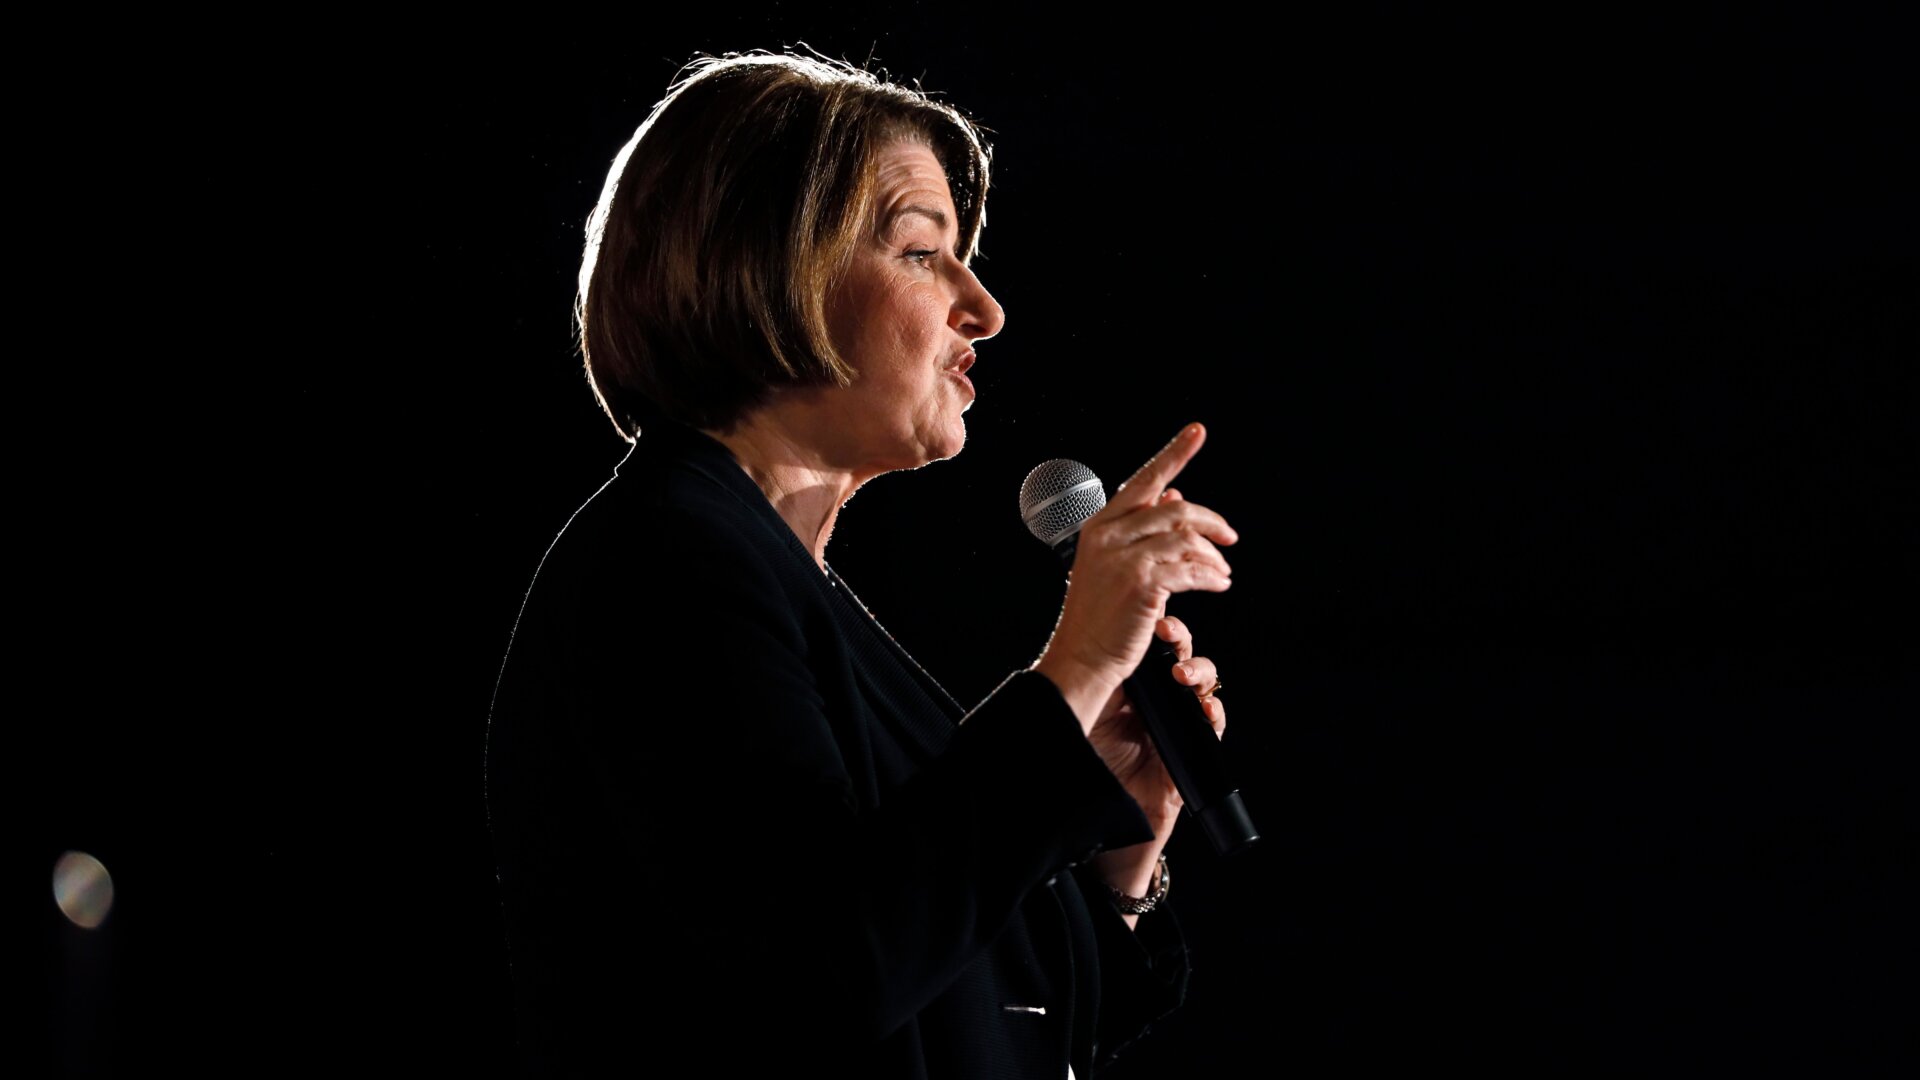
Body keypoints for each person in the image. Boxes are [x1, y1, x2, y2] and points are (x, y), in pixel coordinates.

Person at [486, 51, 1238, 1078]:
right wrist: (1072, 675)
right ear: (764, 268)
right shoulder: (661, 569)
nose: (984, 309)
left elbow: (961, 999)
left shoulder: (786, 587)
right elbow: (818, 972)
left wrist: (1120, 854)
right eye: (923, 251)